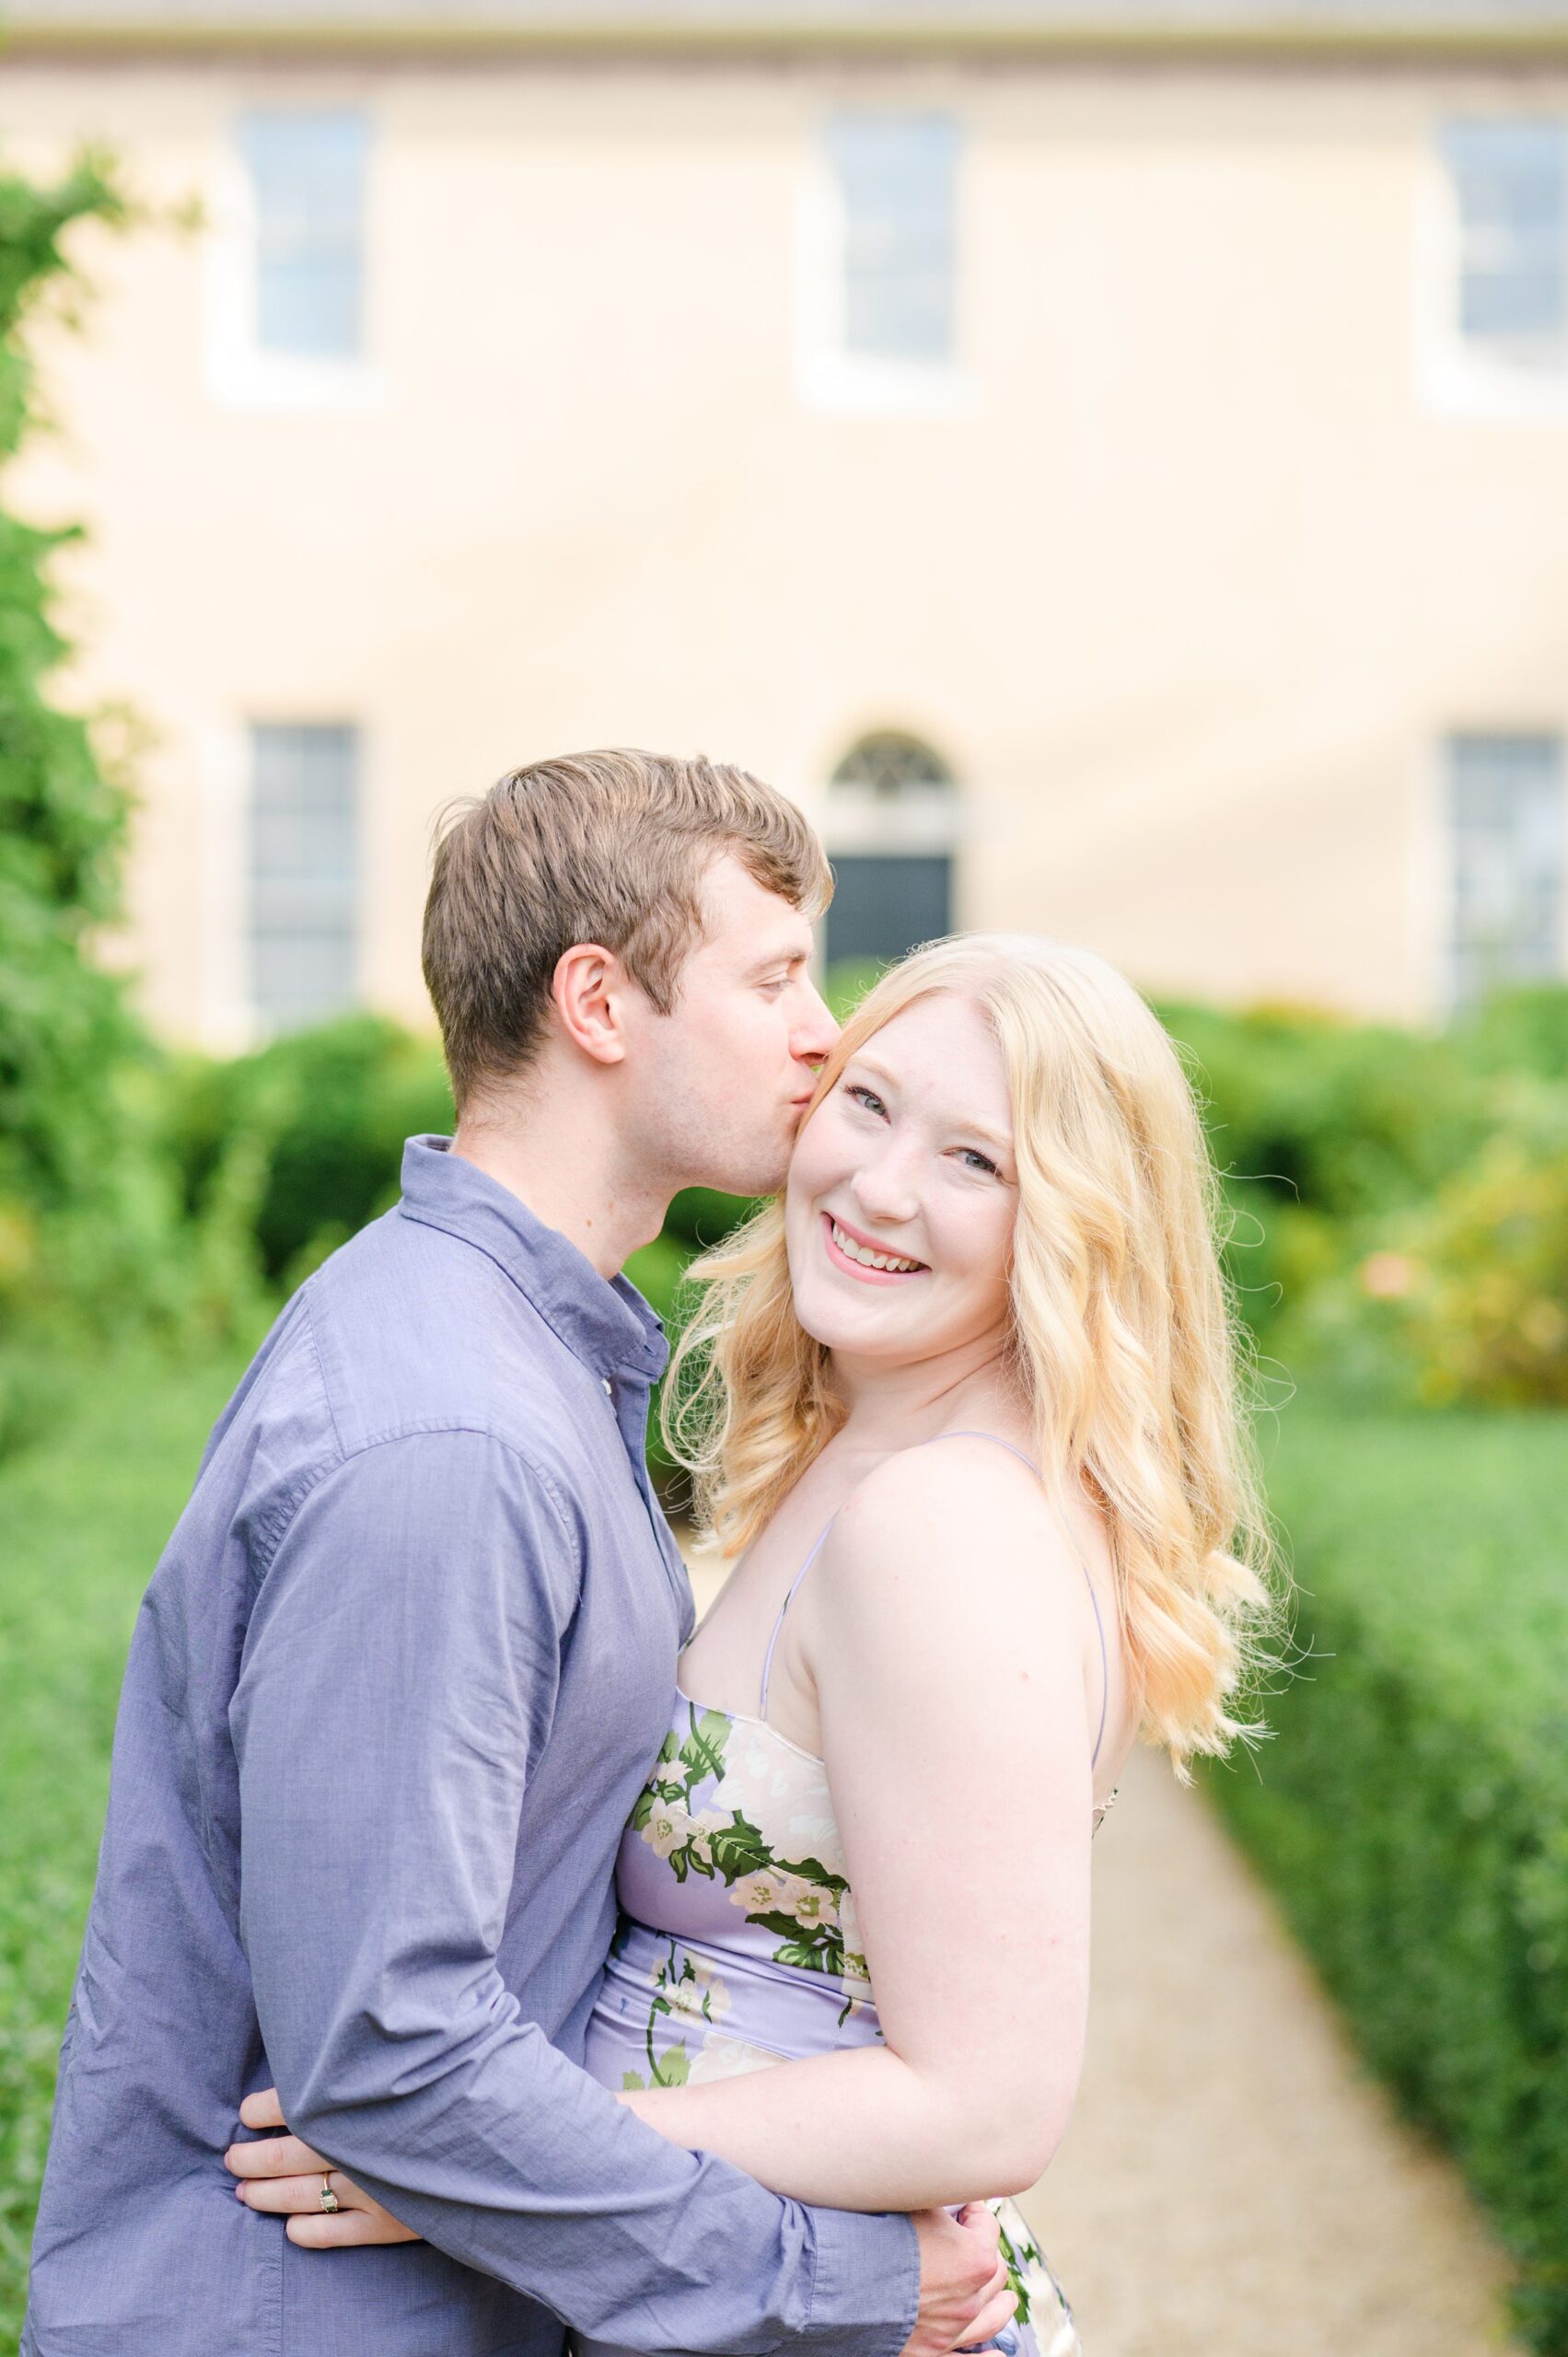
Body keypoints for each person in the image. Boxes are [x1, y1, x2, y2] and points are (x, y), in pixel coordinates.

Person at [23, 752, 1016, 2357]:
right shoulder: (454, 1440)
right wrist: (837, 2286)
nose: (825, 1034)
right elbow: (395, 2055)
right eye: (774, 976)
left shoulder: (514, 1354)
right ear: (600, 1004)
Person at [222, 932, 1277, 2357]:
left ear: (1074, 1225)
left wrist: (467, 2165)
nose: (882, 1186)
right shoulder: (869, 1450)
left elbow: (989, 2100)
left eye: (979, 1161)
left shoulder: (941, 1526)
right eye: (871, 1103)